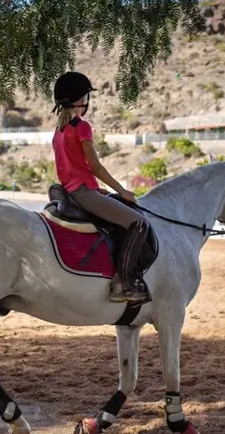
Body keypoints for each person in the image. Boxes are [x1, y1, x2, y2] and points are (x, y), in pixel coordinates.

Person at [51, 71, 150, 304]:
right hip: (84, 194)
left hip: (74, 192)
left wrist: (98, 190)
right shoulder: (82, 127)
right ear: (81, 99)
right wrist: (122, 191)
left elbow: (72, 168)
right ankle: (122, 284)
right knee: (138, 222)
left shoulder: (58, 130)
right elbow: (96, 167)